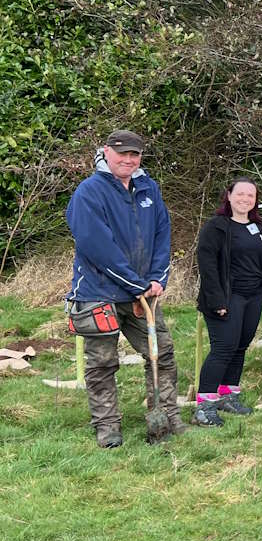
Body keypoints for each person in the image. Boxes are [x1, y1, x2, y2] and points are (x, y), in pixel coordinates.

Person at [65, 129, 184, 448]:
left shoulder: (148, 187)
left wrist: (158, 278)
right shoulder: (89, 192)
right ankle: (107, 426)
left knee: (162, 354)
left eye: (135, 154)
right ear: (106, 152)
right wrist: (138, 284)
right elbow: (97, 247)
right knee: (102, 362)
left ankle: (166, 415)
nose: (129, 160)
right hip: (98, 292)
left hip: (143, 294)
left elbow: (163, 234)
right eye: (122, 154)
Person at [193, 178, 262, 426]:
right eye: (240, 194)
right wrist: (216, 300)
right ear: (229, 196)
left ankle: (227, 396)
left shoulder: (257, 226)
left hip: (251, 297)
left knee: (240, 346)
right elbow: (207, 265)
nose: (245, 199)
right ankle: (204, 406)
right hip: (226, 297)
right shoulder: (217, 227)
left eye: (250, 195)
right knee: (224, 348)